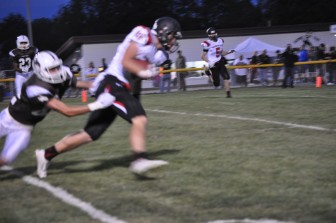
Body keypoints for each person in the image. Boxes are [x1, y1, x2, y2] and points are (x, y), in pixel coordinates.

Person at [35, 16, 182, 178]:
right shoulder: (144, 34)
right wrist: (143, 71)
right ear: (164, 32)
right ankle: (139, 159)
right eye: (173, 35)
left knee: (90, 133)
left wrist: (136, 94)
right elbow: (127, 61)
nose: (174, 40)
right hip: (110, 82)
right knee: (140, 118)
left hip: (120, 87)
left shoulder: (160, 55)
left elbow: (135, 76)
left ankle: (46, 155)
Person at [0, 51, 115, 167]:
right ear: (40, 70)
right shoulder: (35, 88)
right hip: (7, 119)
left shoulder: (64, 72)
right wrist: (98, 105)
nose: (56, 72)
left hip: (24, 128)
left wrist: (100, 83)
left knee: (4, 160)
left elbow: (82, 84)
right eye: (51, 69)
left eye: (57, 67)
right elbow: (67, 111)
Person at [201, 27, 234, 97]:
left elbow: (221, 52)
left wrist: (229, 52)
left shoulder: (220, 41)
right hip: (213, 64)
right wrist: (210, 62)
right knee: (216, 84)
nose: (214, 35)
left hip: (220, 61)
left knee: (226, 77)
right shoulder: (207, 43)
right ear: (209, 35)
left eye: (215, 33)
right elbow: (203, 57)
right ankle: (208, 73)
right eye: (212, 34)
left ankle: (228, 95)